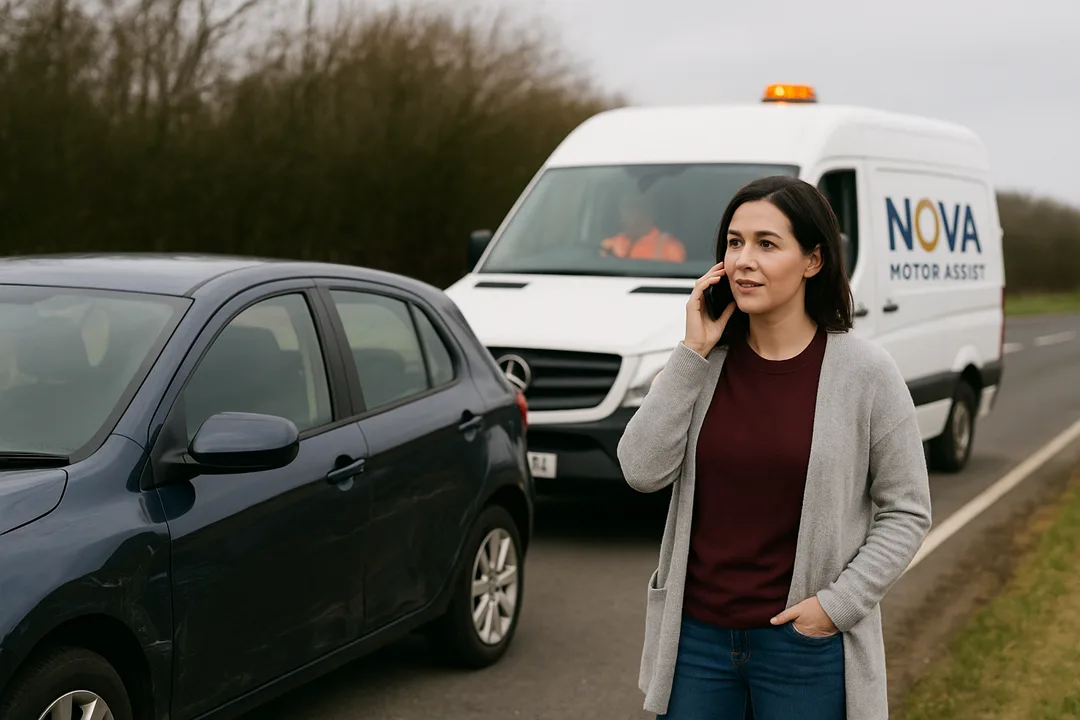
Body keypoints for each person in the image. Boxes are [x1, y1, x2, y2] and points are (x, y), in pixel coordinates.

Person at [617, 176, 932, 720]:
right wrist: (692, 349)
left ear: (812, 261)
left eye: (767, 244)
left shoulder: (866, 373)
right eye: (734, 243)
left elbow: (907, 510)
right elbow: (641, 471)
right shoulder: (702, 366)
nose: (743, 260)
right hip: (697, 642)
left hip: (803, 645)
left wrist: (836, 608)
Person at [600, 196, 686, 263]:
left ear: (652, 213)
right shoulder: (610, 245)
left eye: (638, 207)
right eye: (628, 208)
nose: (633, 215)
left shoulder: (670, 247)